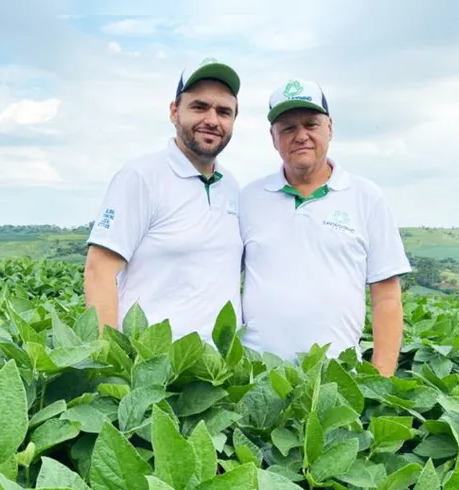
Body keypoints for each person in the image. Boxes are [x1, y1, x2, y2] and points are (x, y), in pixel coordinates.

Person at [238, 78, 412, 376]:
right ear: (273, 137)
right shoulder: (247, 199)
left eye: (311, 124)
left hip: (338, 379)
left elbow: (386, 297)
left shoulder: (366, 197)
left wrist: (381, 380)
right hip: (258, 379)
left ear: (329, 127)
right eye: (288, 128)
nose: (300, 135)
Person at [84, 58, 243, 345]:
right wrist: (106, 359)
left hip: (217, 374)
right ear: (174, 112)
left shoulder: (231, 186)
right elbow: (100, 272)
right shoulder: (141, 177)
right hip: (151, 365)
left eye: (223, 111)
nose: (212, 120)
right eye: (199, 107)